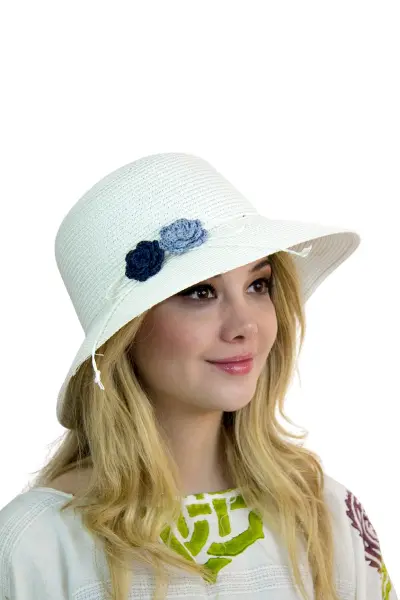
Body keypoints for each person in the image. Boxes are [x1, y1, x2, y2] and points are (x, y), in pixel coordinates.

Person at [0, 153, 397, 600]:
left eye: (258, 285)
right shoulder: (35, 548)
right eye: (200, 292)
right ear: (125, 333)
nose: (245, 326)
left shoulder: (329, 519)